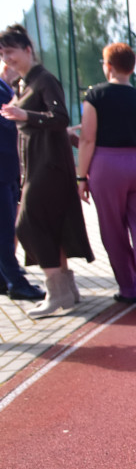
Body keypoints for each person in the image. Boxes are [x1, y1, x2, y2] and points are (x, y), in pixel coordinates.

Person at [0, 23, 93, 317]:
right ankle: (66, 290)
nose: (7, 59)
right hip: (36, 164)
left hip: (48, 167)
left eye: (10, 52)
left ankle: (56, 291)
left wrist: (25, 114)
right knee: (51, 225)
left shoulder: (43, 79)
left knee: (28, 224)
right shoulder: (24, 84)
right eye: (2, 54)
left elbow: (59, 116)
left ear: (27, 50)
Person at [75, 42, 136, 311]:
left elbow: (87, 138)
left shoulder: (96, 95)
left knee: (113, 230)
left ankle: (128, 288)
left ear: (108, 66)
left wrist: (82, 177)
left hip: (107, 164)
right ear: (132, 67)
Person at [0, 59, 43, 301]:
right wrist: (34, 120)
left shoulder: (6, 88)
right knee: (5, 229)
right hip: (3, 170)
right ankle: (15, 282)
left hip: (7, 170)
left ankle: (6, 278)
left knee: (6, 228)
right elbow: (10, 124)